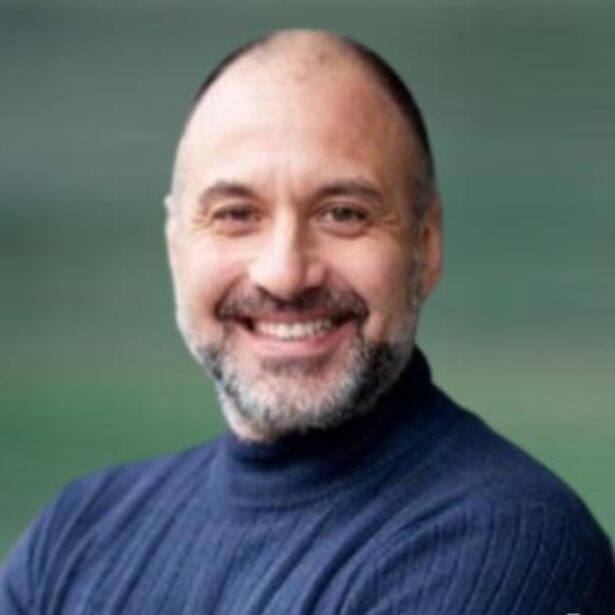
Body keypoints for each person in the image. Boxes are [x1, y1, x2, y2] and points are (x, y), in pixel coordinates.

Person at [1, 29, 613, 614]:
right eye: (236, 214)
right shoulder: (77, 534)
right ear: (175, 246)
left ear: (425, 246)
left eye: (343, 213)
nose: (285, 274)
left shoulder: (508, 545)